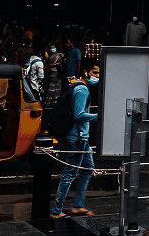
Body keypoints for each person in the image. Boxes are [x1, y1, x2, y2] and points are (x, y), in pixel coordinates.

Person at [50, 69, 98, 219]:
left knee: (88, 168)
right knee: (69, 174)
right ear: (86, 72)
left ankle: (78, 205)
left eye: (98, 73)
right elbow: (79, 115)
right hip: (76, 137)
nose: (96, 76)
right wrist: (100, 116)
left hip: (80, 137)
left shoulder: (77, 87)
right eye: (94, 72)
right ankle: (56, 211)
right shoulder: (82, 90)